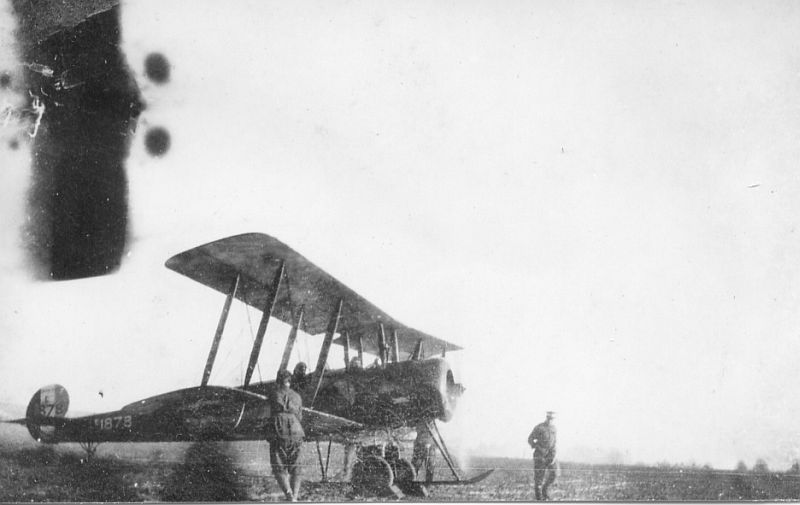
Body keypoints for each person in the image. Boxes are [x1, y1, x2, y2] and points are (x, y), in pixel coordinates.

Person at [267, 369, 305, 501]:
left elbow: (270, 411)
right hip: (296, 430)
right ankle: (294, 497)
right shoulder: (298, 396)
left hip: (279, 430)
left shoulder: (273, 394)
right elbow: (299, 416)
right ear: (290, 381)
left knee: (279, 466)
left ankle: (289, 495)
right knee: (296, 467)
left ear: (278, 380)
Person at [528, 411, 557, 500]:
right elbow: (530, 439)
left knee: (554, 473)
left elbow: (554, 443)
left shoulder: (554, 429)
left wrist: (554, 454)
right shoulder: (540, 427)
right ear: (546, 418)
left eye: (552, 419)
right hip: (540, 456)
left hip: (550, 456)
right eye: (549, 418)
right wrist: (537, 447)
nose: (550, 420)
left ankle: (545, 490)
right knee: (539, 478)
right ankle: (539, 498)